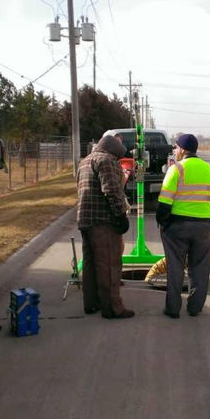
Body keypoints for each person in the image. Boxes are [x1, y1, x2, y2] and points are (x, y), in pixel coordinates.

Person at [156, 134, 210, 318]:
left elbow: (165, 201)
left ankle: (173, 309)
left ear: (183, 150)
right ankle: (195, 307)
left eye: (176, 148)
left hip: (177, 226)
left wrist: (163, 222)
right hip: (202, 227)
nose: (174, 151)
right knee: (200, 268)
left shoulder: (176, 169)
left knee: (175, 267)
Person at [76, 135, 134, 319]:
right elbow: (111, 190)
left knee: (91, 264)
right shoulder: (106, 160)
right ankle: (112, 308)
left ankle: (91, 303)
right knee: (109, 264)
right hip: (103, 221)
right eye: (119, 157)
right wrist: (120, 214)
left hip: (85, 219)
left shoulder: (85, 161)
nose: (118, 160)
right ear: (113, 152)